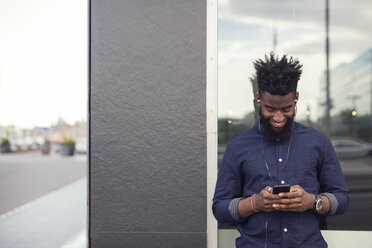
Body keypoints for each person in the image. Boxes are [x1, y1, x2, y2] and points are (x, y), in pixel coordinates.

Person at [212, 53, 349, 248]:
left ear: (296, 98)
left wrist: (313, 201)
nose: (278, 117)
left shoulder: (318, 142)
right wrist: (255, 203)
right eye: (270, 109)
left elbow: (342, 199)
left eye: (286, 109)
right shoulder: (237, 147)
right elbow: (220, 208)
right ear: (259, 98)